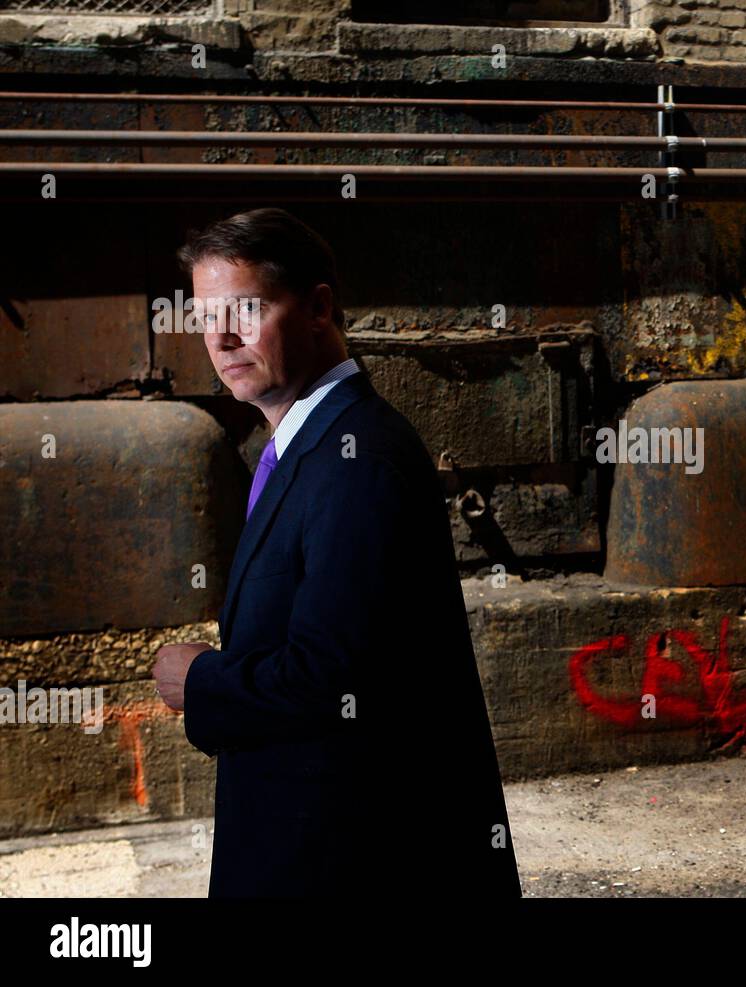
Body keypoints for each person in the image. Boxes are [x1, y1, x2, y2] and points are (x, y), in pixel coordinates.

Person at [150, 207, 520, 898]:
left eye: (244, 311)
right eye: (205, 319)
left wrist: (201, 680)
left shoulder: (359, 459)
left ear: (319, 306)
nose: (221, 339)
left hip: (351, 861)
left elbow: (333, 681)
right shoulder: (303, 448)